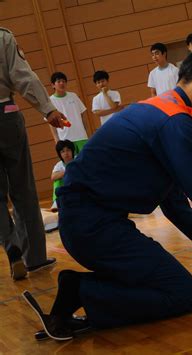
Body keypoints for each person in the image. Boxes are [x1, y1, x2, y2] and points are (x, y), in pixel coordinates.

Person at [22, 47, 192, 341]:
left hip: (89, 222)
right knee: (181, 292)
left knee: (171, 284)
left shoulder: (157, 111)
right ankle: (82, 290)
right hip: (92, 226)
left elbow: (175, 205)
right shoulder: (175, 122)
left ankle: (80, 292)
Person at [0, 27, 64, 280]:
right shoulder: (3, 37)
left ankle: (10, 247)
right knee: (23, 190)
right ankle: (35, 258)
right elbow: (22, 76)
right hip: (6, 113)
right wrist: (47, 109)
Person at [49, 72, 89, 153]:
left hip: (81, 137)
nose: (62, 83)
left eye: (64, 81)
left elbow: (83, 113)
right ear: (53, 85)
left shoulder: (73, 96)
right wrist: (56, 140)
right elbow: (51, 123)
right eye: (59, 81)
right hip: (65, 140)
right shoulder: (50, 101)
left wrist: (86, 132)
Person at [50, 140, 75, 212]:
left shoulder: (77, 159)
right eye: (63, 151)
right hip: (66, 187)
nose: (66, 153)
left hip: (78, 185)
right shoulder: (59, 165)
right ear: (59, 154)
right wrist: (67, 171)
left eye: (68, 150)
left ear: (72, 151)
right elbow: (53, 177)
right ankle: (56, 202)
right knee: (57, 180)